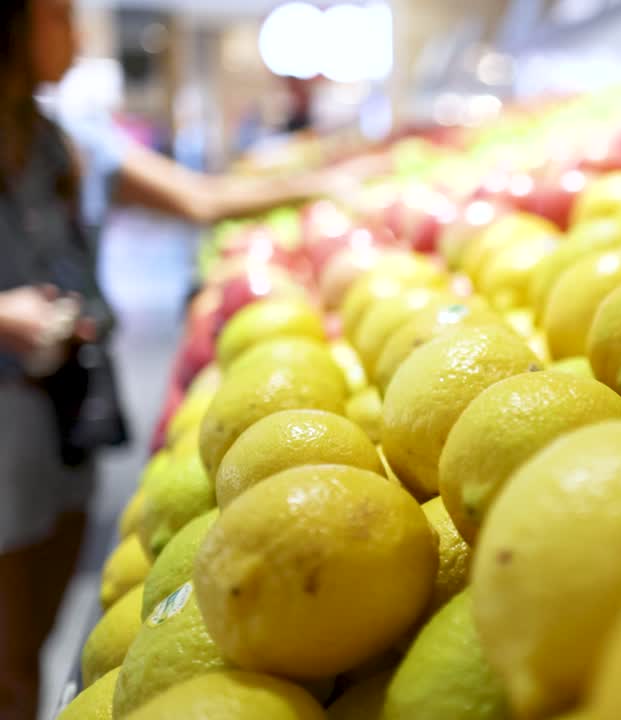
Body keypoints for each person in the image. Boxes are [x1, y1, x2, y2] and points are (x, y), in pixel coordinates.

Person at [1, 2, 377, 718]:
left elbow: (199, 198)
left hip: (69, 402)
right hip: (5, 409)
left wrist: (322, 184)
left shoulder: (61, 137)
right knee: (10, 657)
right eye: (60, 16)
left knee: (42, 613)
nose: (80, 35)